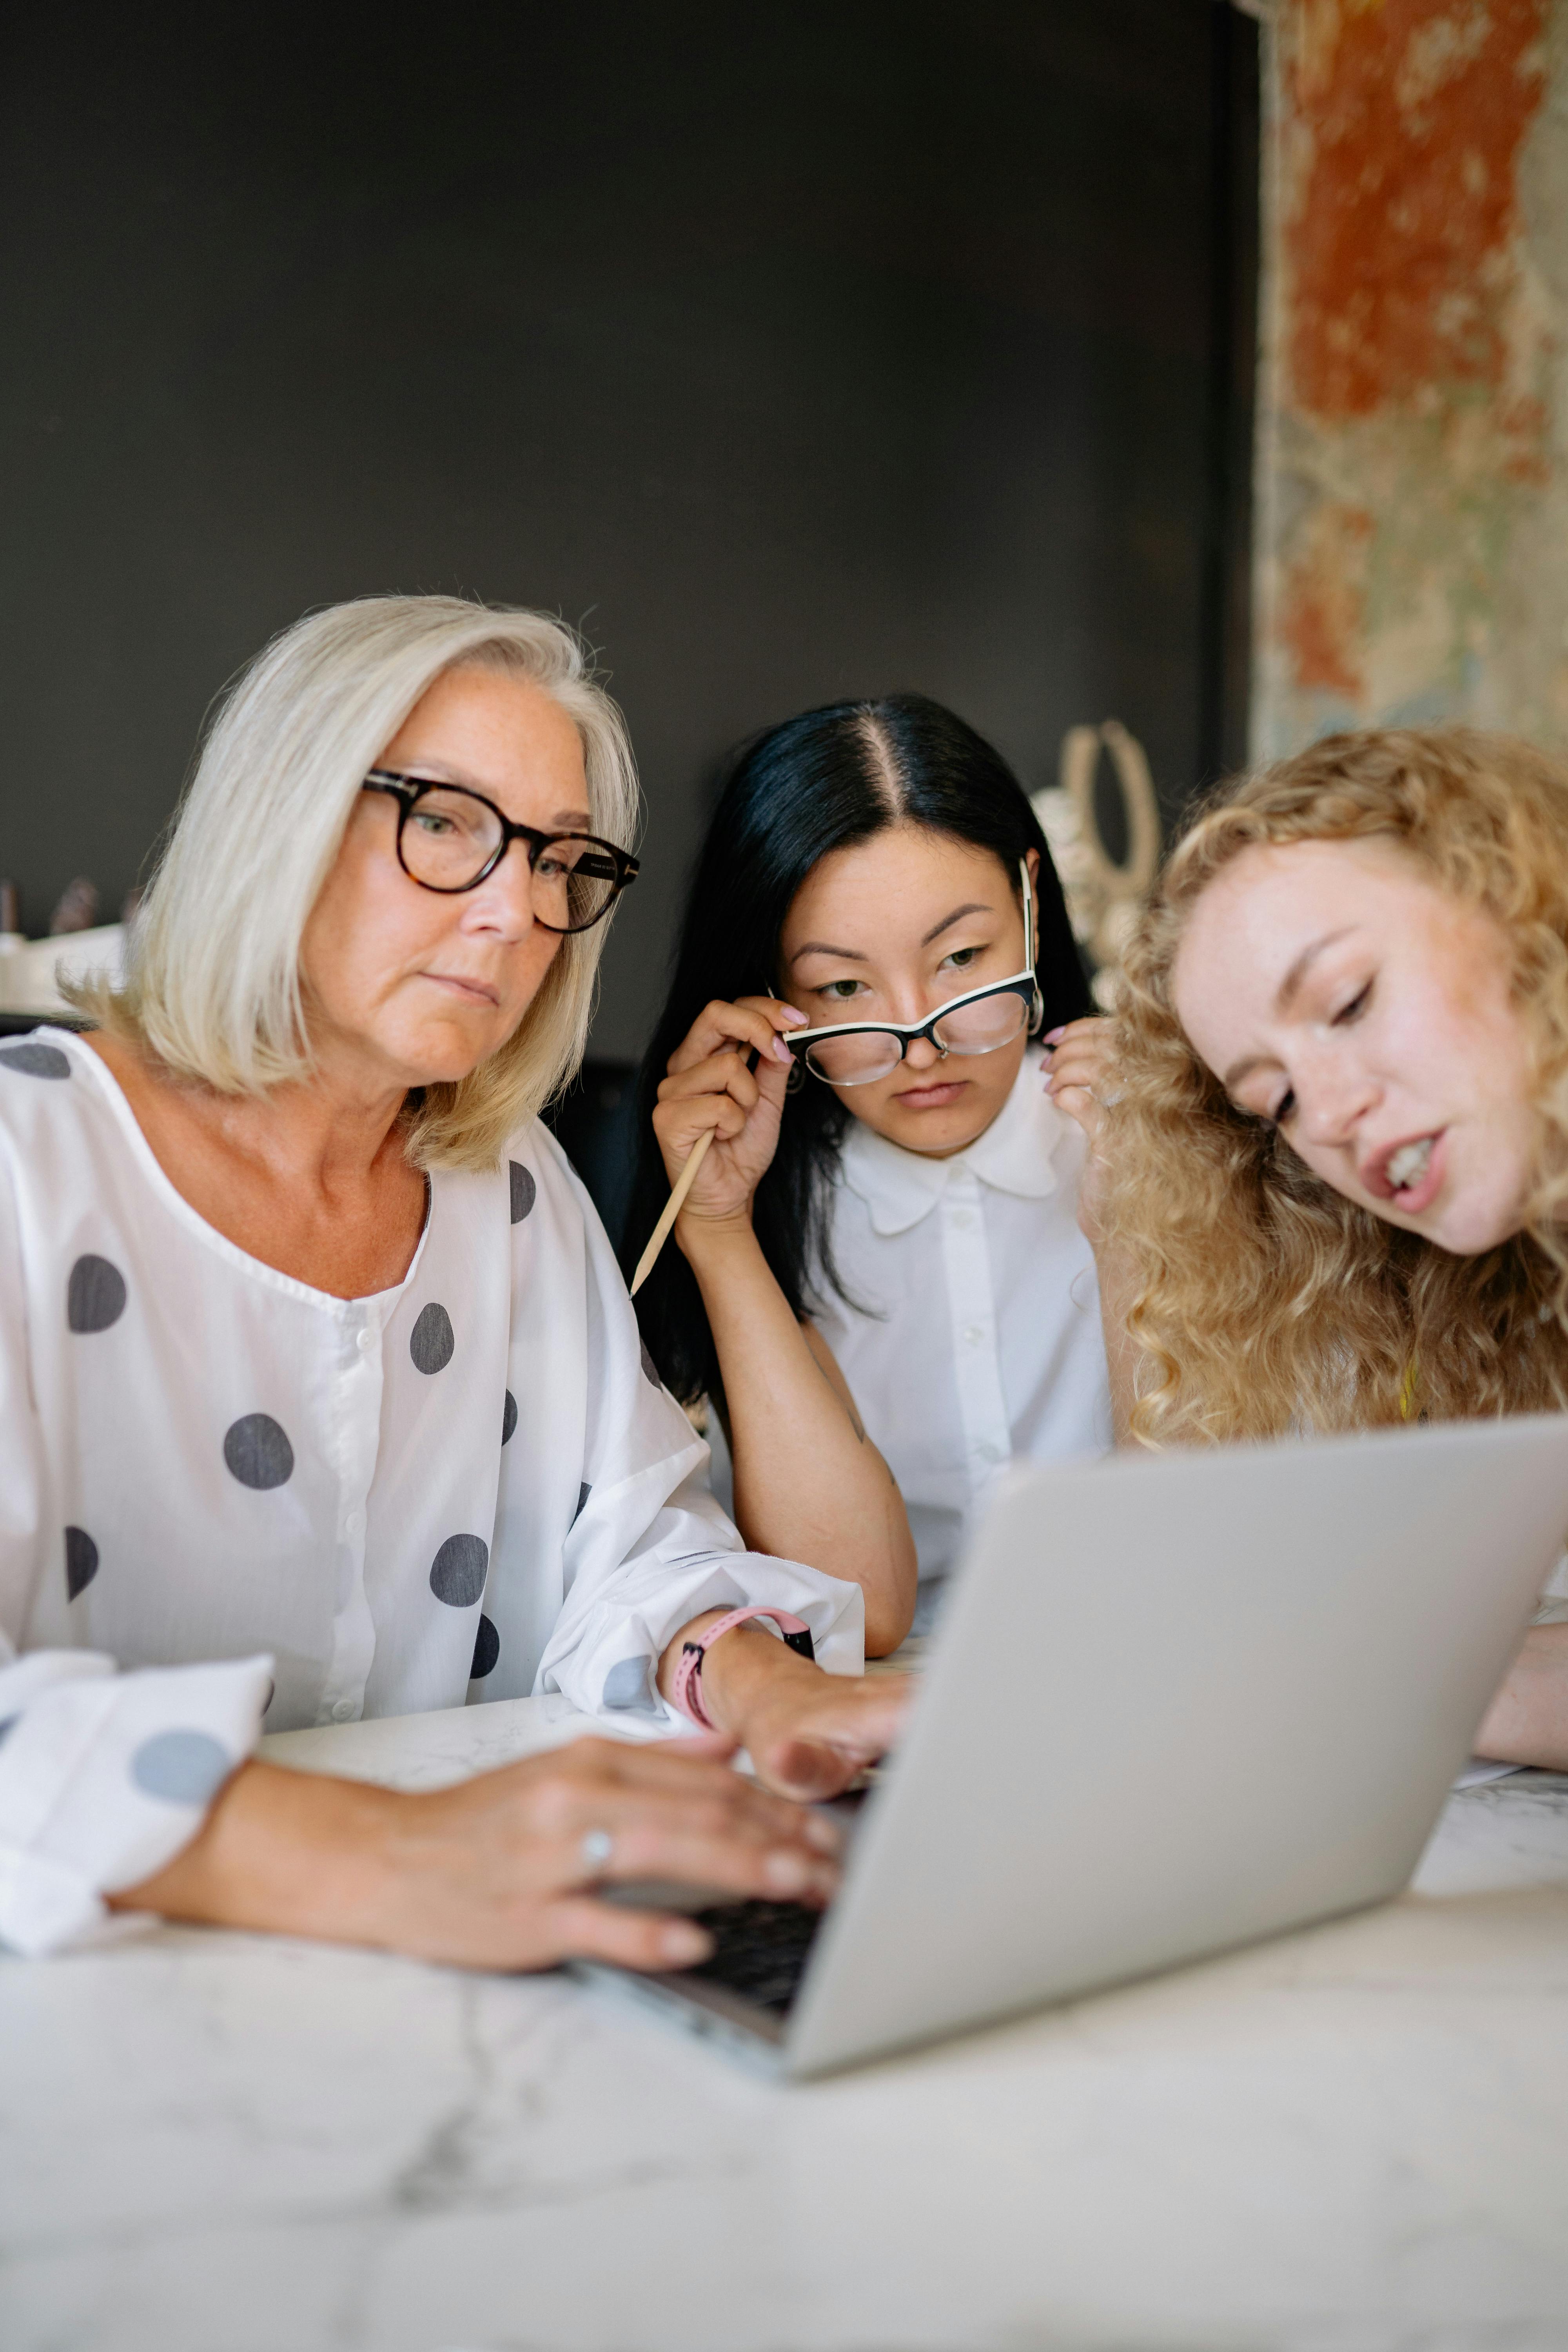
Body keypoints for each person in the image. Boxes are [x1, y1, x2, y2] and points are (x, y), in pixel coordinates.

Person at [0, 595, 907, 1967]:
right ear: (281, 813)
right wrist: (388, 1852)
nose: (514, 915)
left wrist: (755, 1677)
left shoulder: (511, 1186)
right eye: (443, 822)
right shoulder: (29, 1162)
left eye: (559, 861)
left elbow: (629, 1542)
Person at [1065, 724, 1568, 1767]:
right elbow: (1186, 1559)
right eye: (1277, 1101)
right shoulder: (1455, 1297)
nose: (1329, 1115)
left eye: (1348, 1002)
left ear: (1518, 905)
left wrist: (1354, 1680)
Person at [624, 694, 1113, 1648]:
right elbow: (860, 1609)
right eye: (843, 986)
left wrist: (1146, 1219)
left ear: (1029, 901)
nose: (919, 1046)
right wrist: (720, 1234)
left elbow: (1205, 1546)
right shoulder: (765, 1198)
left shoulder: (1140, 1133)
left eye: (960, 958)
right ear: (771, 989)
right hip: (884, 1712)